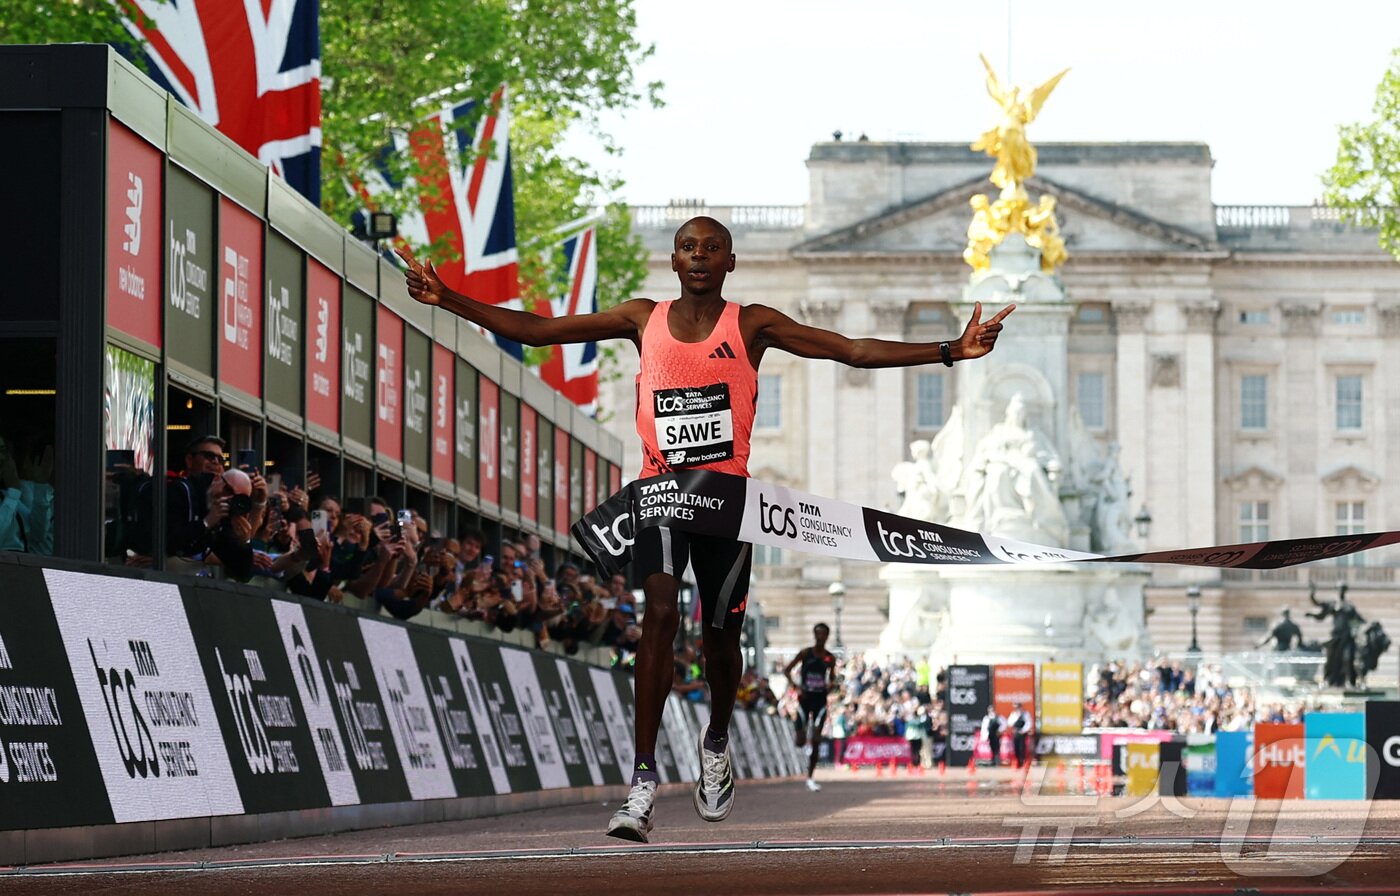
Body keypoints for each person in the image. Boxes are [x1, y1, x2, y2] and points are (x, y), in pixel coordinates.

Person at [397, 216, 1013, 843]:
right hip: (662, 495)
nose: (699, 257)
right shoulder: (642, 318)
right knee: (660, 613)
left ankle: (716, 737)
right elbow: (540, 331)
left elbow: (848, 349)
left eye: (711, 249)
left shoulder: (752, 324)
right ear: (673, 260)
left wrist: (949, 351)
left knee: (722, 643)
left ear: (730, 262)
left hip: (726, 504)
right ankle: (642, 781)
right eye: (689, 248)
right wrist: (448, 297)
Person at [784, 623, 838, 791]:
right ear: (814, 635)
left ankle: (810, 777)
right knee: (800, 741)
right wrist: (796, 686)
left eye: (823, 634)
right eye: (818, 633)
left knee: (816, 739)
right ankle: (799, 734)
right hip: (805, 699)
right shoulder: (806, 653)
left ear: (827, 636)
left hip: (820, 700)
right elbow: (787, 670)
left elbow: (833, 678)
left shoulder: (830, 657)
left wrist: (831, 685)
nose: (820, 637)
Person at [1005, 702, 1032, 769]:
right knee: (1016, 748)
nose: (1017, 709)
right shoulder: (1013, 714)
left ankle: (1022, 761)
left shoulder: (1025, 714)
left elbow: (1029, 723)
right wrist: (1015, 722)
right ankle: (1017, 762)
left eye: (1018, 707)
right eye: (1015, 708)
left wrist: (1023, 730)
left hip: (1022, 733)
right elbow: (1009, 723)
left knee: (1022, 748)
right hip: (1016, 733)